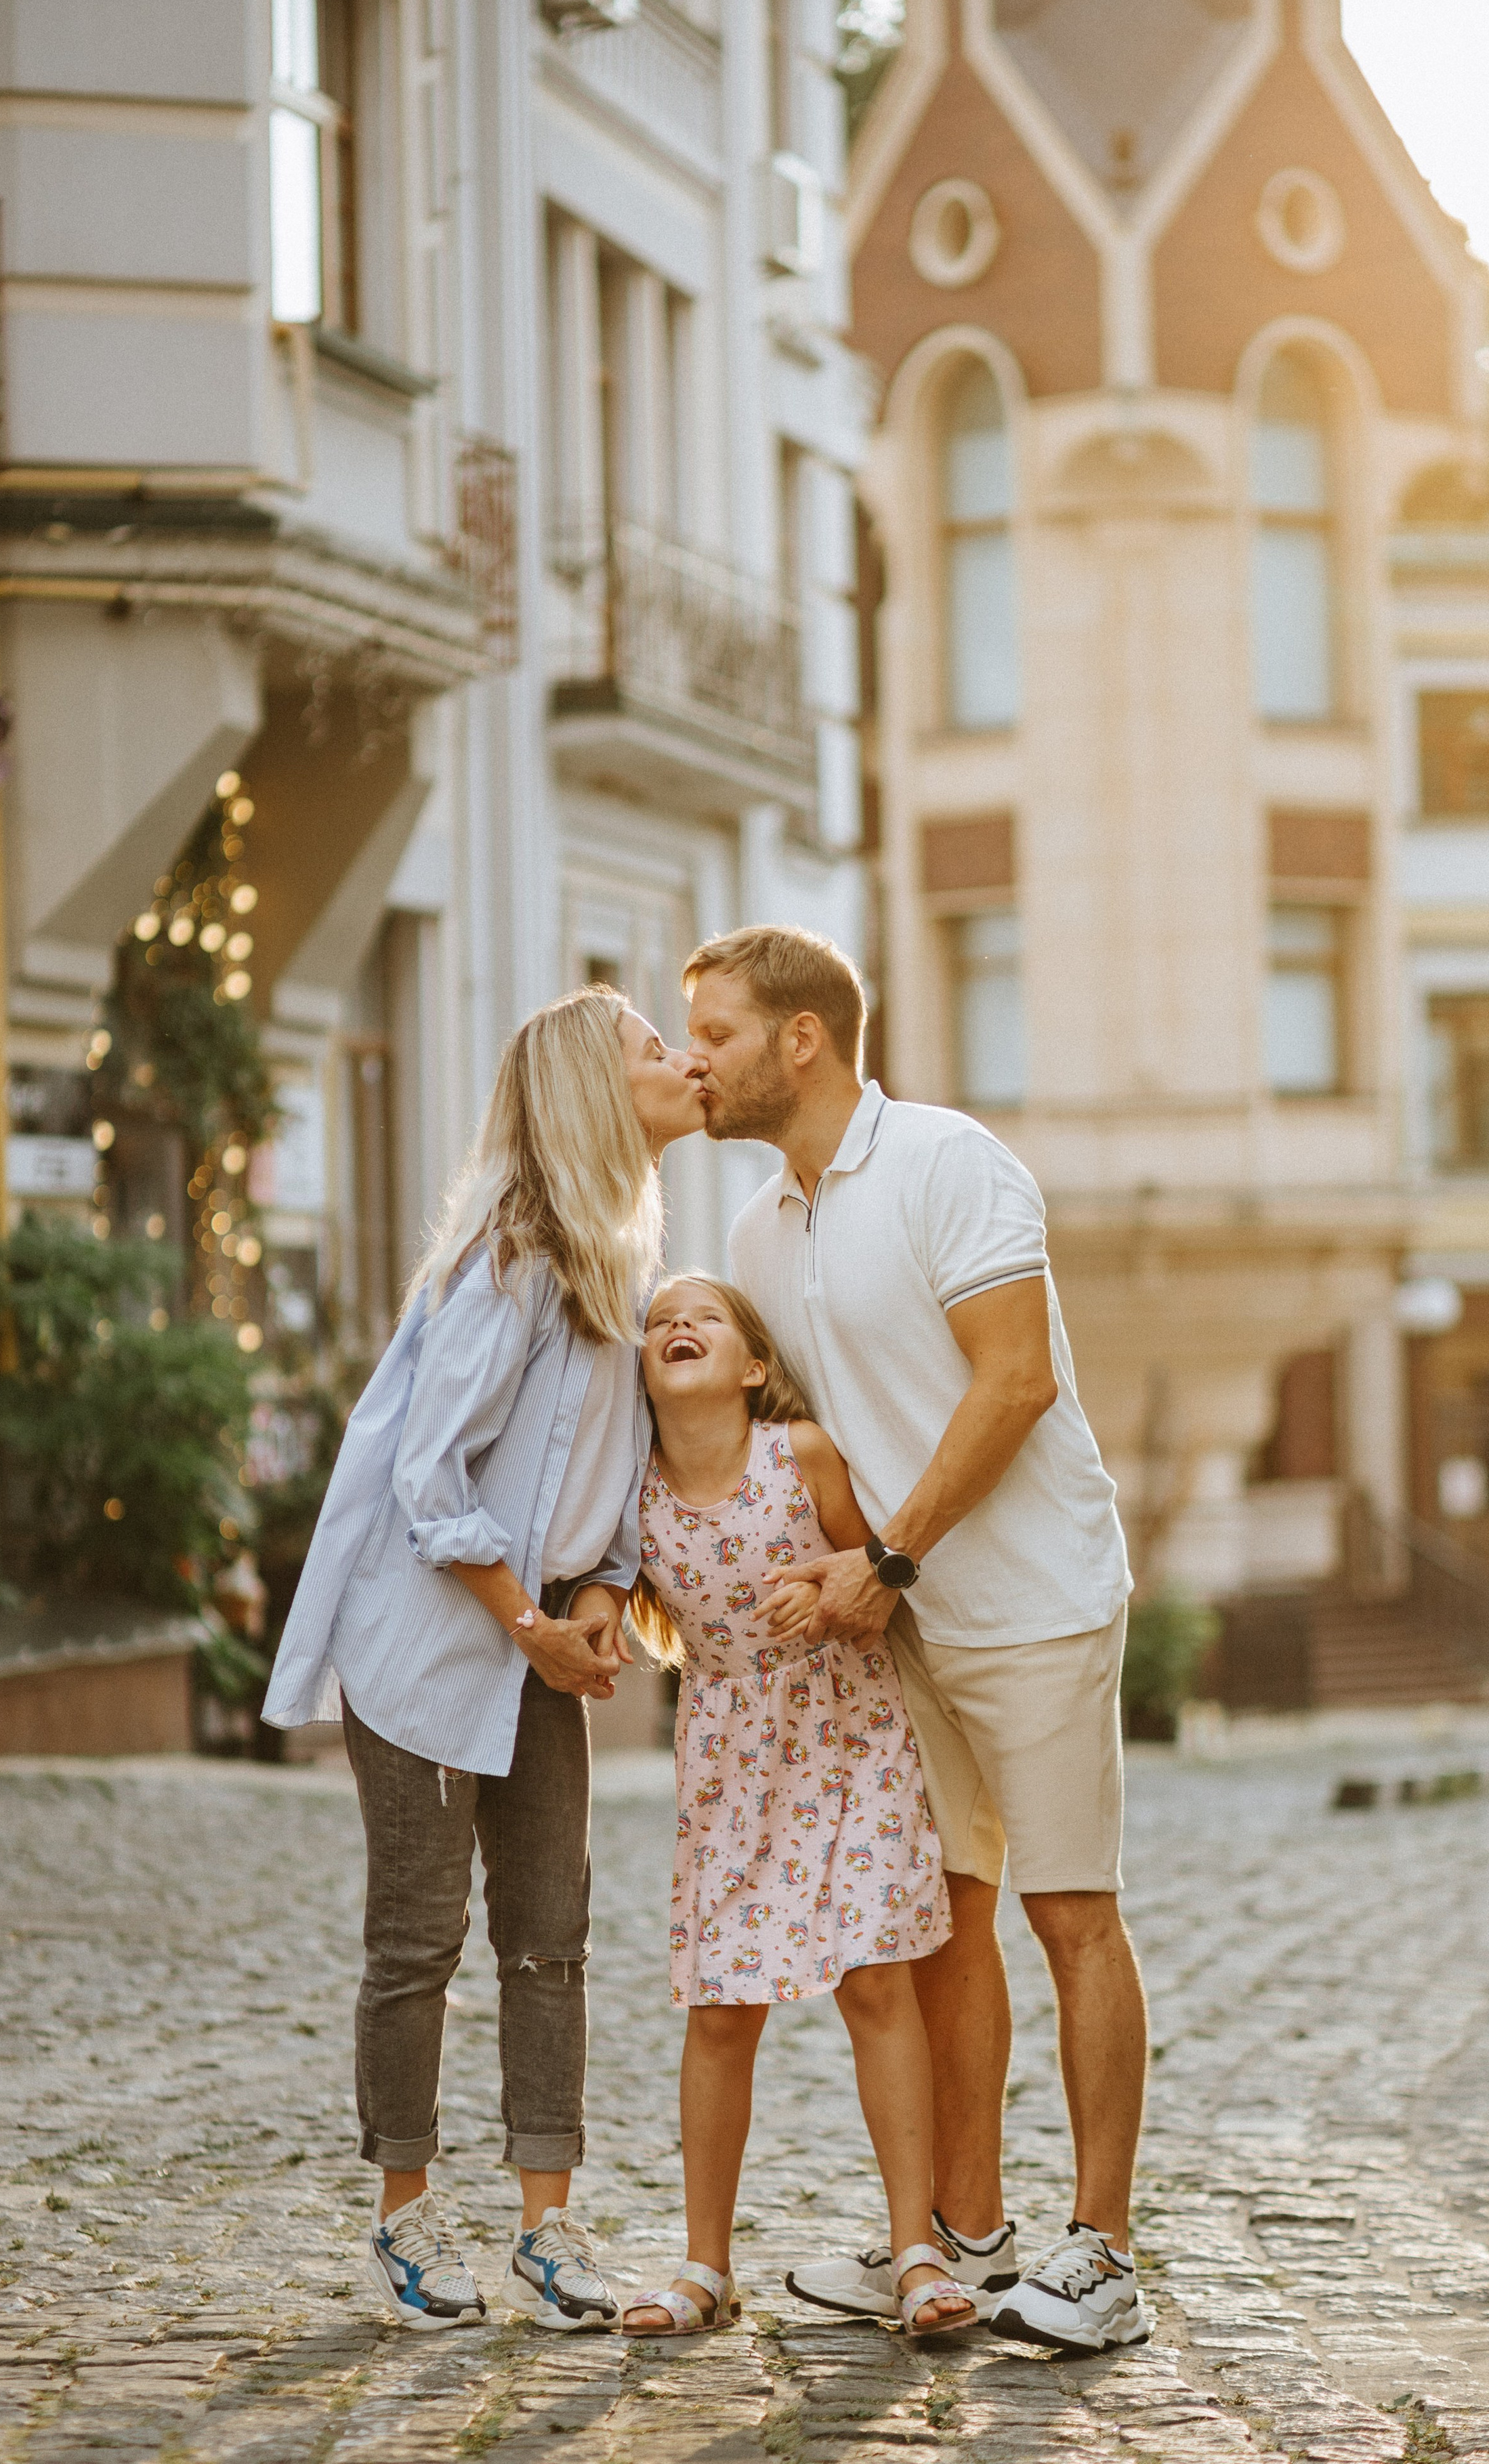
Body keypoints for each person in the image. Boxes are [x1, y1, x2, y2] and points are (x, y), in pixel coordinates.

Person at [682, 925, 1150, 2354]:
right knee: (942, 1917)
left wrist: (888, 1556)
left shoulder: (950, 1162)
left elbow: (1012, 1385)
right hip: (895, 1626)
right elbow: (790, 1435)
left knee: (1066, 1909)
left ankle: (1103, 2249)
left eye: (712, 1033)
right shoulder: (760, 1227)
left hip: (1032, 1599)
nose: (693, 1059)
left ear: (800, 1038)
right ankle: (967, 2234)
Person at [262, 988, 705, 2333]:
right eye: (650, 1048)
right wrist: (531, 1621)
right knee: (418, 1934)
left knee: (549, 1936)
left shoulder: (621, 1266)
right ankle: (401, 2219)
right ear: (589, 1089)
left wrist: (605, 1596)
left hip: (535, 1648)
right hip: (422, 1643)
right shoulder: (511, 1259)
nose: (678, 1060)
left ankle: (546, 2228)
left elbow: (610, 1482)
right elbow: (428, 1475)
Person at [619, 1273, 972, 2342]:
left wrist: (825, 1587)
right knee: (722, 2009)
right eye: (659, 1321)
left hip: (847, 1732)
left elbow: (877, 1571)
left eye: (706, 1316)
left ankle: (916, 2249)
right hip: (730, 1761)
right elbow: (601, 1581)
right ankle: (705, 2262)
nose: (678, 1326)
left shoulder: (801, 1451)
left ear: (755, 1366)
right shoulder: (630, 1492)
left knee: (875, 1981)